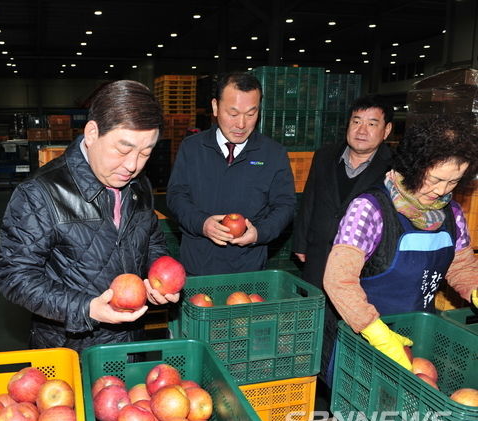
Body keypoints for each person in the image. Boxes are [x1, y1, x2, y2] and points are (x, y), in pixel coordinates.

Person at [0, 80, 179, 352]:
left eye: (145, 153)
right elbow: (15, 276)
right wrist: (86, 308)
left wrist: (154, 278)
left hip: (131, 342)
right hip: (70, 348)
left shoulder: (139, 185)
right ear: (92, 133)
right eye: (123, 149)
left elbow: (152, 240)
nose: (132, 165)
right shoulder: (40, 193)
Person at [323, 115, 478, 383]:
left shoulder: (452, 214)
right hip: (367, 337)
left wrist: (474, 289)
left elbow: (461, 266)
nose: (442, 190)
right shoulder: (369, 209)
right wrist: (376, 332)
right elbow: (338, 279)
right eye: (435, 179)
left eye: (453, 182)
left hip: (419, 336)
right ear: (415, 166)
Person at [292, 95, 394, 379]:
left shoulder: (393, 167)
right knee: (313, 325)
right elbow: (310, 199)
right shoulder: (325, 155)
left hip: (360, 267)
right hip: (318, 255)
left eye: (372, 123)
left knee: (348, 329)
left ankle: (340, 383)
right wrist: (301, 242)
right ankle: (313, 382)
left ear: (386, 130)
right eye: (356, 121)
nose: (362, 130)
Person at [166, 71, 295, 276]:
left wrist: (259, 233)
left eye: (251, 114)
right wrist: (202, 223)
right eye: (233, 114)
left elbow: (285, 205)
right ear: (215, 107)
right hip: (197, 267)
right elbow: (176, 196)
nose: (241, 124)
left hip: (248, 270)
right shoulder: (192, 148)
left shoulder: (273, 154)